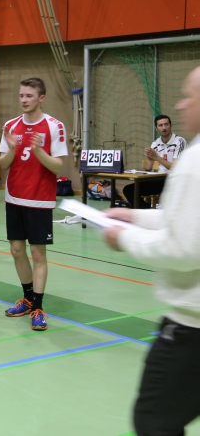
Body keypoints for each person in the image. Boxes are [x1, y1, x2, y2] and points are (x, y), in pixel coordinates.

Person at [103, 66, 200, 435]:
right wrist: (133, 216)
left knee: (154, 421)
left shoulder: (193, 161)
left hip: (191, 331)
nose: (181, 104)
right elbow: (185, 221)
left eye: (189, 96)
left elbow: (184, 248)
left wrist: (124, 237)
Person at [0, 78, 68, 331]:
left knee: (38, 254)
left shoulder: (54, 126)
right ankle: (27, 298)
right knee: (17, 250)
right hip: (14, 198)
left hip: (39, 199)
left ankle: (38, 306)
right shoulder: (11, 126)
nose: (24, 100)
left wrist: (38, 150)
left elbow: (58, 166)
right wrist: (12, 148)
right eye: (21, 95)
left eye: (29, 95)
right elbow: (3, 164)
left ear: (41, 98)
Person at [122, 114, 186, 208]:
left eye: (166, 124)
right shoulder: (155, 143)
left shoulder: (179, 141)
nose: (164, 128)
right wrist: (150, 161)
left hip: (175, 179)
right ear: (156, 128)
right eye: (160, 125)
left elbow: (175, 168)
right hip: (160, 180)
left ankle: (147, 212)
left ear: (170, 126)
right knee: (129, 190)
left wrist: (156, 157)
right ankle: (147, 211)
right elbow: (148, 169)